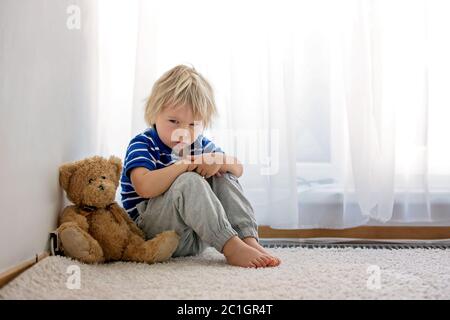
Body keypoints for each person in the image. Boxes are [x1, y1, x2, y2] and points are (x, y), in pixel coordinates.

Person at [120, 65, 281, 268]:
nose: (184, 132)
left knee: (223, 173)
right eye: (173, 121)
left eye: (193, 125)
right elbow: (144, 186)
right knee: (188, 180)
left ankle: (247, 238)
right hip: (154, 234)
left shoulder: (200, 145)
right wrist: (184, 165)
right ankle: (232, 248)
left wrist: (217, 161)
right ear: (154, 114)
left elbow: (238, 169)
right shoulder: (143, 143)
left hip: (195, 236)